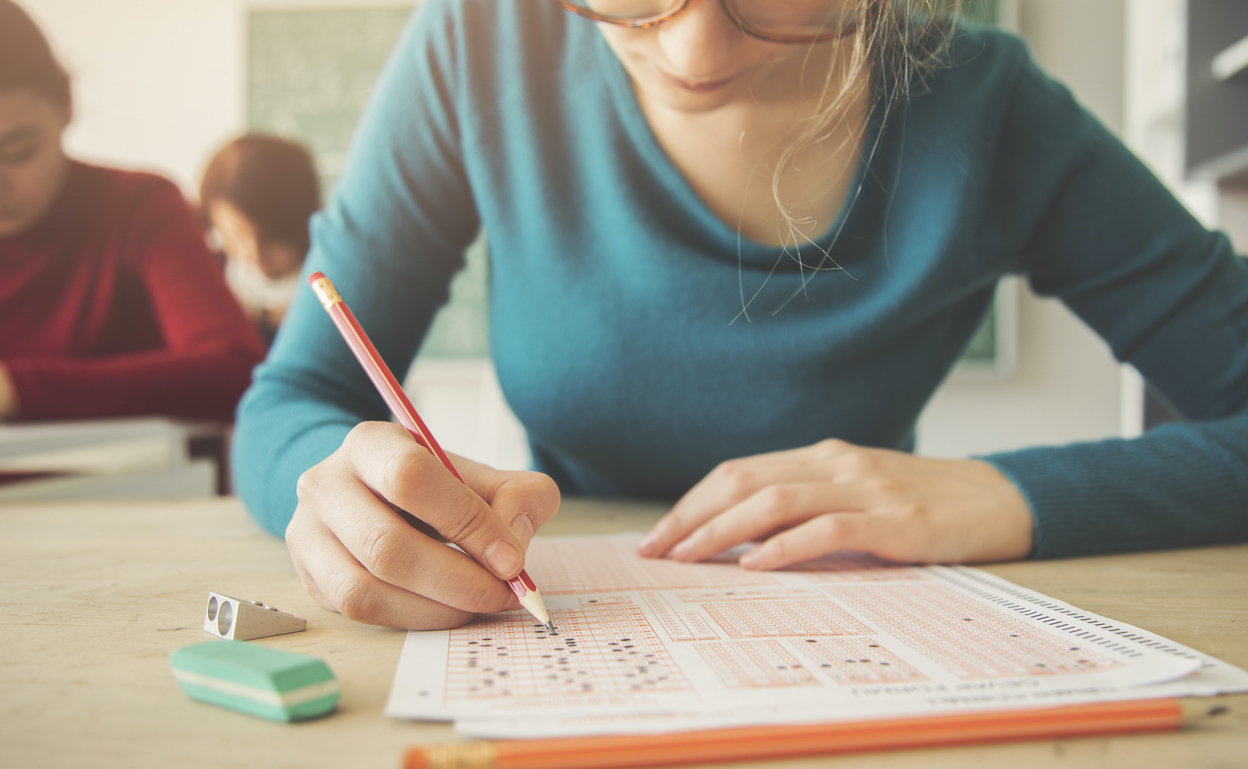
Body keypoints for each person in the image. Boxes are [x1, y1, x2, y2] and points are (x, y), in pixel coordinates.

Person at [232, 0, 1248, 631]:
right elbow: (294, 400)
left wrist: (1003, 497)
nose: (691, 44)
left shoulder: (991, 107)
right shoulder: (478, 39)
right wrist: (330, 485)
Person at [0, 0, 265, 423]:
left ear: (67, 105)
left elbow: (234, 369)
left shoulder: (139, 206)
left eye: (18, 152)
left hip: (137, 487)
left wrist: (17, 389)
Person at [200, 134, 321, 345]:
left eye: (270, 238)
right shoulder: (213, 275)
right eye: (235, 235)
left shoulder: (337, 284)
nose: (253, 254)